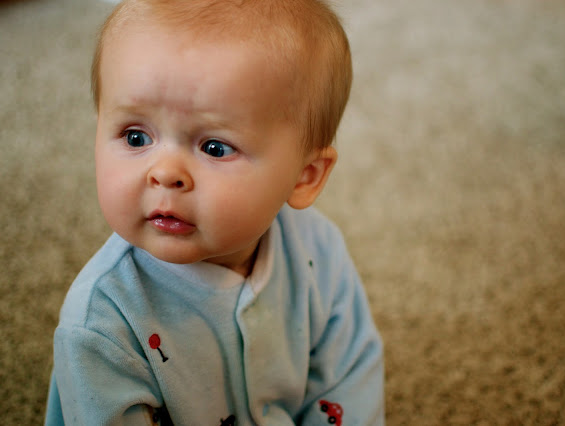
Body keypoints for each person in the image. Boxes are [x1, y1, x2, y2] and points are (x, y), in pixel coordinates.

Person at [45, 0, 384, 424]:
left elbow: (347, 379)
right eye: (135, 137)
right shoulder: (101, 325)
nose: (165, 173)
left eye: (214, 147)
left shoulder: (319, 251)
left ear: (304, 176)